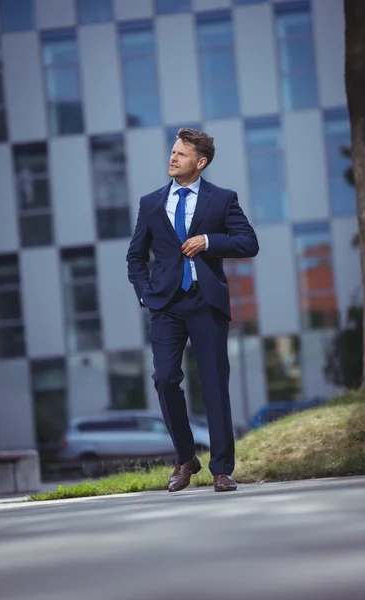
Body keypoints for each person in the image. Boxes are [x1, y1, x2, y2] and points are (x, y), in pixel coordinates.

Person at [126, 128, 259, 492]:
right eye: (172, 152)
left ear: (200, 163)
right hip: (166, 306)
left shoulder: (222, 199)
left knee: (215, 386)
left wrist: (208, 241)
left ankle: (221, 470)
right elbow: (135, 257)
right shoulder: (151, 203)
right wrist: (144, 294)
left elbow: (249, 242)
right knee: (165, 378)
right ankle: (186, 459)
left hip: (206, 303)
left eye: (180, 155)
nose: (172, 158)